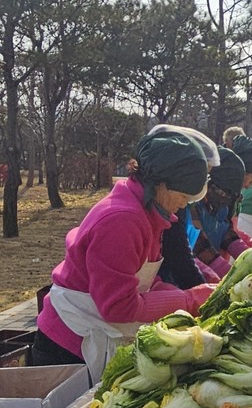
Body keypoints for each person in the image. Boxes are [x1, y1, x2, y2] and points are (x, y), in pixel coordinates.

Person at [32, 129, 217, 381]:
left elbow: (142, 281)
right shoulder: (122, 221)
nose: (184, 204)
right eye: (183, 196)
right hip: (67, 345)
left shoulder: (150, 213)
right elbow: (119, 306)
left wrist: (190, 296)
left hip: (94, 331)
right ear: (161, 184)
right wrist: (187, 300)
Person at [153, 125, 221, 290]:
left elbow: (187, 246)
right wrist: (198, 291)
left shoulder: (182, 201)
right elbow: (177, 254)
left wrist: (206, 271)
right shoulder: (167, 203)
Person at [186, 147, 252, 280]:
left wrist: (248, 256)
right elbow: (198, 244)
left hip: (213, 269)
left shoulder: (222, 204)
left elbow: (225, 231)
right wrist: (226, 271)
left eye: (229, 194)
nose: (225, 197)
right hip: (191, 274)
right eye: (222, 192)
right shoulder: (190, 206)